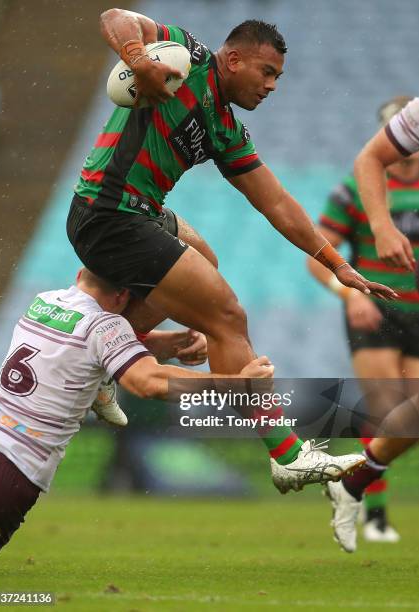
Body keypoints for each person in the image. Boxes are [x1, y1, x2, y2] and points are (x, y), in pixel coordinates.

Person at [66, 9, 393, 492]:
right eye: (267, 73)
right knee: (225, 316)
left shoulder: (223, 127)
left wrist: (338, 264)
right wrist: (139, 60)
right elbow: (114, 16)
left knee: (205, 257)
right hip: (109, 213)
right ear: (234, 59)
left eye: (278, 77)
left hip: (134, 212)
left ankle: (106, 365)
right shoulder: (189, 57)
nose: (272, 86)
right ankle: (285, 453)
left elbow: (277, 203)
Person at [0, 268, 274, 563]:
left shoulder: (45, 301)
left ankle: (101, 386)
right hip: (10, 471)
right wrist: (236, 383)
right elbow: (147, 381)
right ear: (124, 295)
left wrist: (172, 344)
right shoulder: (105, 325)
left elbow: (87, 345)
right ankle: (102, 386)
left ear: (79, 274)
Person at [308, 96, 419, 543]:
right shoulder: (354, 191)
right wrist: (347, 292)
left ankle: (350, 481)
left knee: (409, 422)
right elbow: (319, 257)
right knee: (389, 412)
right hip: (376, 308)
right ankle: (374, 514)